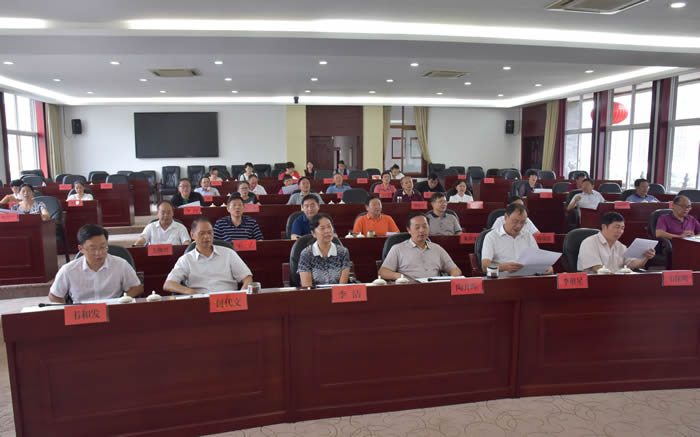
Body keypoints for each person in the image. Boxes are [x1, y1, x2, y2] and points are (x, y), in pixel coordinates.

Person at [49, 224, 143, 303]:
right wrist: (66, 309)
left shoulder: (121, 264)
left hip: (112, 310)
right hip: (83, 313)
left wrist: (122, 300)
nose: (99, 253)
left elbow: (137, 288)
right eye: (92, 249)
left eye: (103, 247)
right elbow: (54, 295)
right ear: (81, 249)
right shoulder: (68, 270)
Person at [164, 216, 253, 294]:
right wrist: (190, 292)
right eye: (202, 233)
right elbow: (168, 284)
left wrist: (242, 294)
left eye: (209, 232)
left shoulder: (228, 253)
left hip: (228, 300)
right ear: (192, 235)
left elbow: (247, 278)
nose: (207, 236)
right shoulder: (186, 259)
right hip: (200, 301)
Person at [379, 213, 462, 279]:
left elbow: (455, 269)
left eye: (425, 226)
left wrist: (453, 277)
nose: (422, 230)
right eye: (417, 227)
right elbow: (383, 272)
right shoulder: (397, 249)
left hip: (434, 288)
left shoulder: (437, 248)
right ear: (409, 230)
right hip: (409, 289)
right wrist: (400, 276)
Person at [481, 203, 553, 275]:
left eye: (522, 222)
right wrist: (504, 267)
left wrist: (546, 267)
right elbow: (484, 267)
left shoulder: (527, 235)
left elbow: (538, 259)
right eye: (515, 221)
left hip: (527, 277)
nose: (519, 226)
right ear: (506, 217)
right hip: (503, 279)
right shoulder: (491, 237)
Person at [578, 212, 655, 272]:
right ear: (604, 227)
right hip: (596, 282)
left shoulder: (621, 246)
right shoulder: (589, 243)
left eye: (622, 228)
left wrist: (646, 257)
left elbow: (632, 264)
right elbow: (597, 268)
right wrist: (616, 277)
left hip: (617, 281)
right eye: (617, 227)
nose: (620, 231)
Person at [298, 213, 351, 286]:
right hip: (314, 292)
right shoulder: (306, 254)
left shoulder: (343, 252)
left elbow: (342, 286)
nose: (327, 231)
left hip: (337, 292)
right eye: (322, 228)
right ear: (313, 233)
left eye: (329, 226)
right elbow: (307, 287)